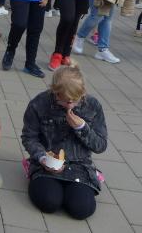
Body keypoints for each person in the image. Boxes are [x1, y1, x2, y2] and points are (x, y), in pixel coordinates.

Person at [21, 64, 107, 220]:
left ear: (83, 92)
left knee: (82, 209)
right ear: (55, 92)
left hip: (80, 166)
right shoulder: (39, 104)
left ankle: (80, 186)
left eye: (75, 100)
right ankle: (33, 169)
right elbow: (29, 137)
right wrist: (41, 157)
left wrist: (82, 128)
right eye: (65, 101)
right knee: (49, 202)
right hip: (46, 166)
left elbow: (101, 145)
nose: (70, 105)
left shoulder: (93, 106)